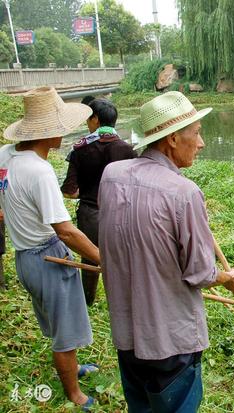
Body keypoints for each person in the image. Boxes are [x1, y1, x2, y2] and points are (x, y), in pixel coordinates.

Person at [98, 91, 234, 413]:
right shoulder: (184, 192)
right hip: (170, 339)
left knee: (141, 407)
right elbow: (199, 273)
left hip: (127, 331)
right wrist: (228, 278)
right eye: (197, 133)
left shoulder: (112, 176)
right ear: (174, 139)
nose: (202, 143)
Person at [0, 87, 101, 410]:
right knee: (65, 331)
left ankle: (72, 365)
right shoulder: (40, 171)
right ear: (50, 132)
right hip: (47, 256)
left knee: (58, 321)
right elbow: (67, 232)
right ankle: (74, 393)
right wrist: (104, 259)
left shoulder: (5, 154)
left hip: (24, 258)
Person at [61, 98, 137, 306]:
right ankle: (124, 302)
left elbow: (69, 191)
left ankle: (88, 301)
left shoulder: (80, 149)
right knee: (123, 257)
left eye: (88, 118)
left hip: (91, 214)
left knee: (90, 256)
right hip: (123, 214)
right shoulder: (128, 150)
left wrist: (86, 192)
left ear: (95, 119)